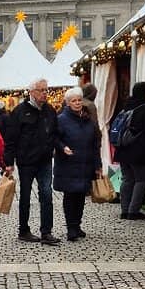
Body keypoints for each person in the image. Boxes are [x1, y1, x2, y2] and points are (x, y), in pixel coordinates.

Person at [3, 78, 60, 244]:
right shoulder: (20, 111)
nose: (45, 93)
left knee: (47, 194)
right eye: (41, 90)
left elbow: (55, 133)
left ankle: (46, 232)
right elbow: (11, 139)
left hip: (45, 160)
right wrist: (9, 162)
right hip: (26, 161)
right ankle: (24, 230)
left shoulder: (50, 110)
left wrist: (58, 147)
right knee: (25, 196)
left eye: (46, 90)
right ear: (32, 92)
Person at [54, 87, 101, 241]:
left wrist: (98, 165)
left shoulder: (88, 119)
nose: (77, 103)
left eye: (79, 100)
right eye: (73, 101)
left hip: (85, 163)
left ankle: (77, 225)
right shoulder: (61, 119)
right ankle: (71, 228)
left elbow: (95, 144)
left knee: (81, 196)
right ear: (68, 103)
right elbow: (54, 138)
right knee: (70, 195)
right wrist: (63, 147)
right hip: (68, 163)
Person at [115, 81, 145, 220]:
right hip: (139, 151)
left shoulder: (127, 105)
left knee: (127, 179)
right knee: (141, 180)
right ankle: (133, 211)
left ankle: (124, 210)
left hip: (123, 149)